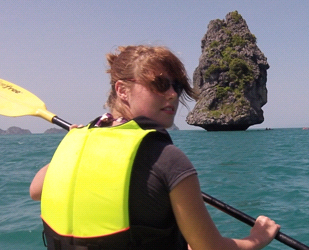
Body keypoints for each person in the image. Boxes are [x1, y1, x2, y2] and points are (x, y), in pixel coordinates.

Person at [29, 45, 280, 250]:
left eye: (177, 86)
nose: (172, 94)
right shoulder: (168, 160)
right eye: (160, 84)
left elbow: (37, 189)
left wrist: (78, 145)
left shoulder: (76, 143)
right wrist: (258, 238)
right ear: (122, 90)